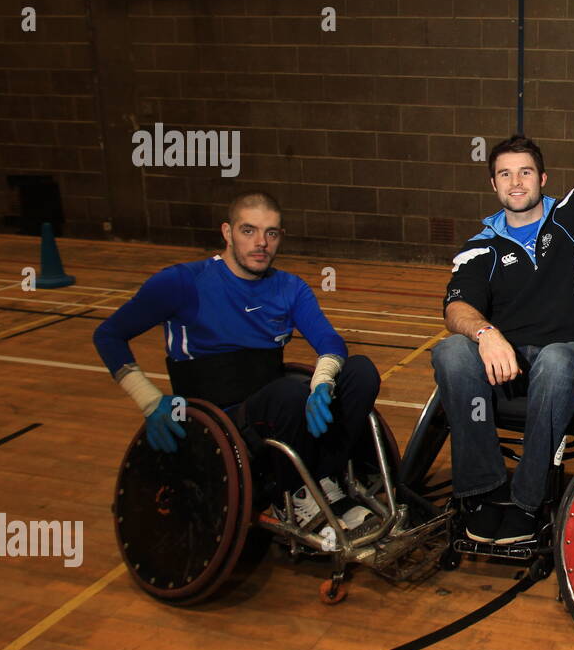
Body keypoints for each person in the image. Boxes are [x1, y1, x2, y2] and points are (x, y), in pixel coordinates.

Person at [93, 191, 382, 537]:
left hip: (275, 403)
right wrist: (150, 401)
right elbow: (108, 335)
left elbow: (330, 342)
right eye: (249, 231)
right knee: (289, 394)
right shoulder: (182, 282)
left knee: (361, 372)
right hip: (220, 416)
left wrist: (323, 382)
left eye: (271, 233)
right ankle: (293, 496)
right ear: (227, 233)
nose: (261, 243)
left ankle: (325, 478)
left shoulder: (290, 287)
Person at [433, 42, 574, 546]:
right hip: (506, 363)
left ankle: (528, 499)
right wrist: (484, 333)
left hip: (565, 358)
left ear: (542, 179)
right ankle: (480, 492)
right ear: (493, 183)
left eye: (525, 172)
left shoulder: (573, 220)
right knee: (453, 351)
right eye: (504, 173)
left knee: (560, 360)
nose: (515, 181)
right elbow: (456, 306)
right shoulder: (481, 245)